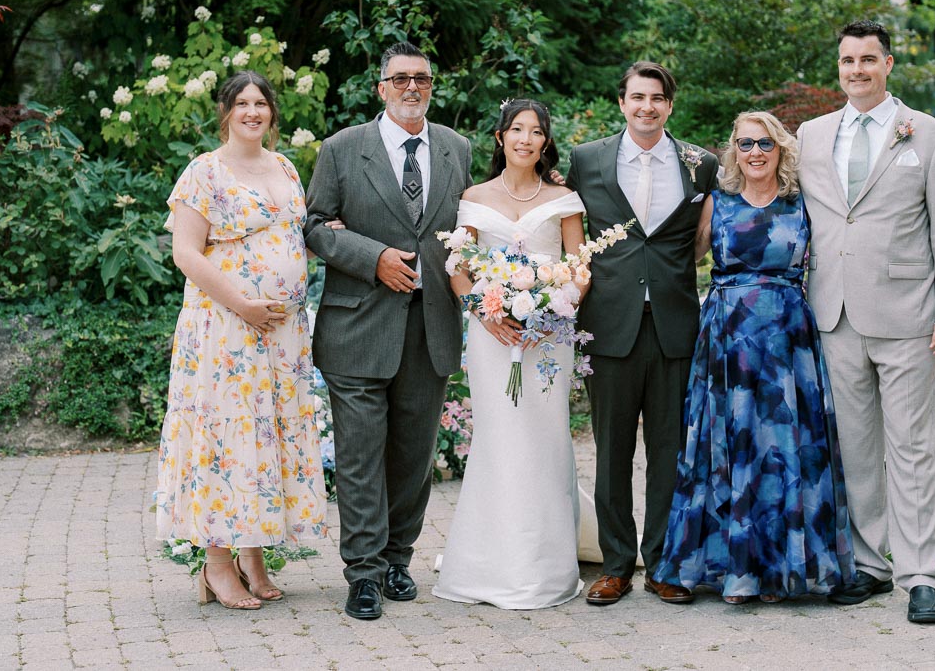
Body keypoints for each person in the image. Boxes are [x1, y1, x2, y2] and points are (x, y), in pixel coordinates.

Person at [796, 20, 935, 625]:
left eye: (868, 59)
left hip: (908, 316)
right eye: (848, 60)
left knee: (914, 447)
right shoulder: (812, 136)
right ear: (838, 67)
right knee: (856, 448)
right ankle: (871, 565)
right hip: (834, 313)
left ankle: (920, 574)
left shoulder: (928, 135)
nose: (857, 70)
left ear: (888, 64)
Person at [655, 111, 855, 604]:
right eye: (745, 144)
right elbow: (678, 255)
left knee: (784, 447)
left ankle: (778, 570)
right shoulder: (716, 204)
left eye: (765, 143)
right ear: (733, 151)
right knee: (730, 444)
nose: (755, 153)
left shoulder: (801, 203)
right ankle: (738, 567)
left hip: (789, 340)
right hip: (729, 341)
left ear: (780, 148)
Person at [304, 42, 473, 621]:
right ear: (380, 88)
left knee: (413, 456)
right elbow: (315, 225)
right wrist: (372, 255)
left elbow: (468, 230)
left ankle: (398, 559)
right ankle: (364, 574)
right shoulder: (342, 149)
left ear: (431, 86)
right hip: (357, 325)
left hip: (430, 330)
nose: (411, 88)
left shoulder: (457, 149)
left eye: (421, 79)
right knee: (358, 455)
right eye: (399, 79)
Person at [156, 71, 328, 611]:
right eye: (242, 103)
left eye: (261, 103)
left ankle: (254, 554)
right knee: (224, 437)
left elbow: (294, 237)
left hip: (282, 336)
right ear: (225, 111)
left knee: (268, 435)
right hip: (225, 329)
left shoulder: (286, 167)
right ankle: (216, 563)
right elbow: (186, 253)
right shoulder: (203, 171)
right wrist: (243, 303)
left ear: (273, 114)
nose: (252, 111)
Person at [565, 61, 719, 606]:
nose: (647, 106)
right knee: (610, 451)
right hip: (609, 322)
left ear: (669, 106)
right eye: (637, 97)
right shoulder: (587, 160)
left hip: (675, 323)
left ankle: (663, 562)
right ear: (622, 102)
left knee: (669, 450)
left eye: (657, 98)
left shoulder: (701, 165)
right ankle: (614, 563)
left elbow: (700, 238)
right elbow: (566, 228)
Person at [432, 98, 588, 609]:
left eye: (536, 131)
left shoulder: (564, 198)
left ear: (546, 141)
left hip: (547, 340)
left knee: (544, 441)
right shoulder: (474, 197)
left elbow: (578, 266)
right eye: (516, 129)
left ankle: (543, 567)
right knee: (499, 440)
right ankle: (488, 563)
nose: (526, 138)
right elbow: (458, 265)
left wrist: (556, 305)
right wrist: (485, 310)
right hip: (492, 336)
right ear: (500, 138)